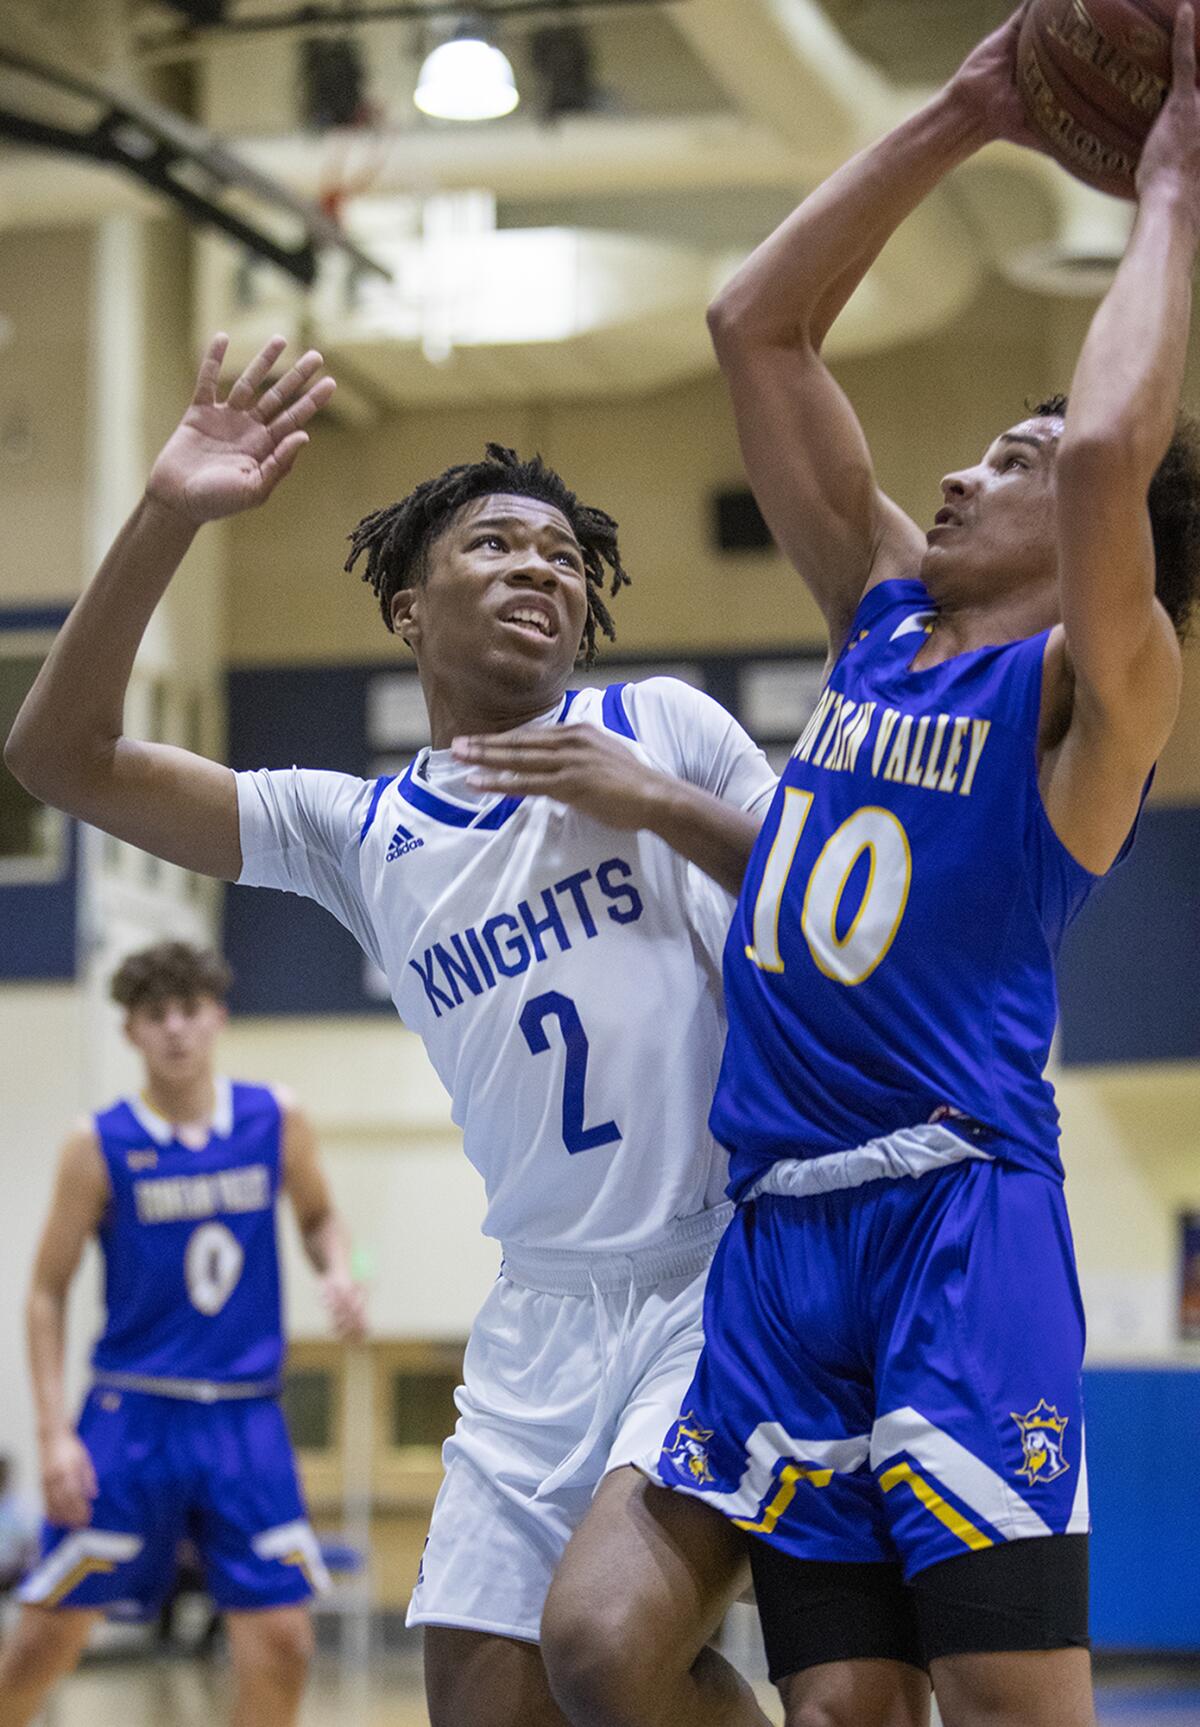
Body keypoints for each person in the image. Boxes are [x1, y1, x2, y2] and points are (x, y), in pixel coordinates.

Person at [3, 339, 787, 1727]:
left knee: (607, 1649)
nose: (543, 566)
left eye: (565, 555)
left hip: (714, 1275)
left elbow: (826, 902)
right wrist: (169, 510)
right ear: (410, 607)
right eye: (496, 543)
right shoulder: (359, 831)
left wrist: (656, 801)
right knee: (487, 1700)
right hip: (540, 1305)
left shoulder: (654, 722)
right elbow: (57, 757)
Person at [609, 8, 1200, 1727]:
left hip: (955, 1218)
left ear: (1112, 550)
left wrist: (1170, 181)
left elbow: (1105, 452)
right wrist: (968, 107)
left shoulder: (1102, 691)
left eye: (1003, 462)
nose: (958, 469)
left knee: (1013, 1701)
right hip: (783, 1238)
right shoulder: (880, 625)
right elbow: (758, 326)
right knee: (842, 1712)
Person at [0, 941, 366, 1727]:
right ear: (130, 1030)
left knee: (284, 1640)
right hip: (132, 1412)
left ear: (218, 1016)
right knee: (42, 1640)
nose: (175, 1030)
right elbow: (43, 1291)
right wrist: (52, 1429)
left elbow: (322, 1217)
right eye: (154, 1014)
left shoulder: (277, 1117)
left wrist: (342, 1268)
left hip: (244, 1413)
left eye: (188, 1010)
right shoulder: (95, 1143)